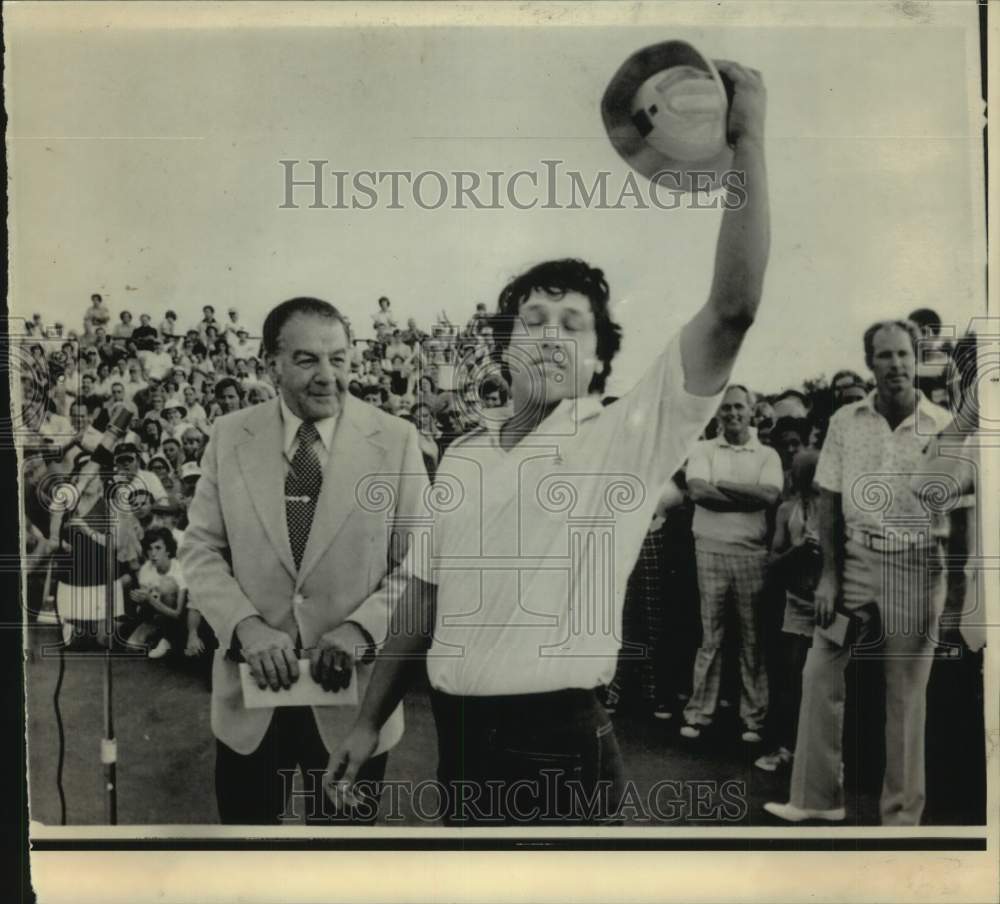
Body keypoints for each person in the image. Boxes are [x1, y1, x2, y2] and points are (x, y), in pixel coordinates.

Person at [329, 61, 770, 825]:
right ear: (504, 347)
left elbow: (732, 309)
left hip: (559, 743)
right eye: (532, 320)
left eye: (573, 325)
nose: (550, 335)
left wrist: (750, 140)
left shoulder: (623, 437)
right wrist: (368, 721)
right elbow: (421, 602)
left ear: (601, 358)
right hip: (459, 743)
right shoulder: (463, 455)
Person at [179, 296, 428, 825]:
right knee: (247, 868)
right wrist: (246, 626)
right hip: (250, 701)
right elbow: (199, 550)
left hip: (354, 704)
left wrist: (363, 629)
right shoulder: (229, 436)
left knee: (342, 871)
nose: (327, 376)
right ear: (271, 362)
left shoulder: (398, 440)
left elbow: (421, 563)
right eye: (307, 360)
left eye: (338, 359)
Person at [764, 319, 952, 825]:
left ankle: (901, 821)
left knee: (905, 696)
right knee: (820, 670)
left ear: (917, 360)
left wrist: (952, 588)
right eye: (885, 356)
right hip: (854, 562)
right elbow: (828, 499)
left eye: (904, 355)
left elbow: (966, 510)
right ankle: (815, 799)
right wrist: (829, 575)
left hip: (918, 567)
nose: (895, 365)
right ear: (870, 363)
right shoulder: (848, 421)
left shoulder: (942, 425)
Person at [679, 384, 783, 743]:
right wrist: (744, 495)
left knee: (753, 639)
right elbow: (697, 492)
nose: (733, 414)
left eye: (739, 407)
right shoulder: (703, 449)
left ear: (751, 410)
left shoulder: (767, 455)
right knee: (711, 637)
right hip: (709, 550)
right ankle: (698, 714)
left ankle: (753, 719)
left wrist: (720, 484)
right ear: (718, 413)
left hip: (750, 554)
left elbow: (770, 496)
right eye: (726, 409)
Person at [754, 449, 822, 772]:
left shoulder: (839, 510)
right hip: (797, 604)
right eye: (801, 472)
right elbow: (771, 563)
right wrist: (798, 551)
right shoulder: (787, 511)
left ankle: (823, 755)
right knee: (791, 678)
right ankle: (783, 748)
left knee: (829, 680)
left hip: (831, 606)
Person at [126, 526, 189, 659]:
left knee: (167, 584)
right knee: (132, 647)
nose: (153, 553)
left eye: (158, 548)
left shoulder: (179, 570)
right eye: (149, 549)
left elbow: (178, 614)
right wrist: (140, 599)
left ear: (168, 550)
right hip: (156, 616)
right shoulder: (146, 570)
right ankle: (157, 637)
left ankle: (168, 639)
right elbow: (146, 609)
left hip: (179, 620)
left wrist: (150, 599)